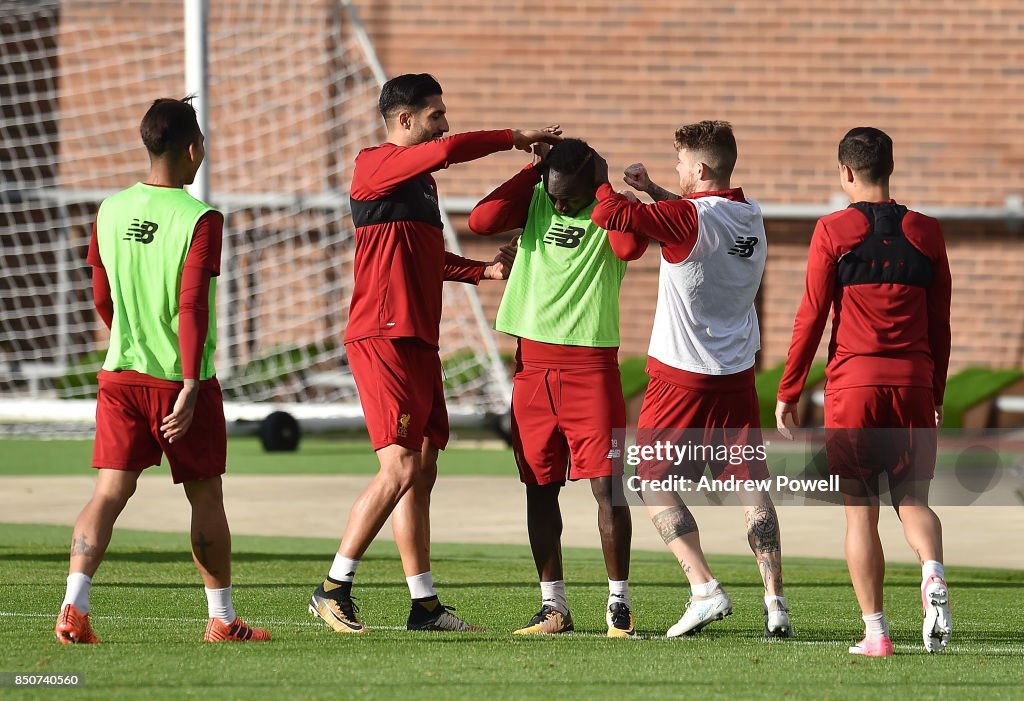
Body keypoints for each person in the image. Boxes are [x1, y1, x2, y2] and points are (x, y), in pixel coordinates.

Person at [309, 73, 560, 634]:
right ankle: (332, 588)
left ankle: (423, 606)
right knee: (398, 467)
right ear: (406, 120)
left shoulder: (418, 186)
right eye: (436, 114)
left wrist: (483, 271)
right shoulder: (374, 164)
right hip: (382, 336)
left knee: (420, 470)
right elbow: (448, 150)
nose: (443, 124)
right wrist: (515, 137)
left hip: (420, 341)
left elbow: (424, 255)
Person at [55, 97, 269, 644]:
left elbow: (101, 297)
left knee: (108, 494)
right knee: (206, 499)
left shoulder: (109, 210)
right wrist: (193, 383)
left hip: (121, 375)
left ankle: (74, 607)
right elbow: (192, 305)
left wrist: (129, 335)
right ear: (192, 148)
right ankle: (222, 619)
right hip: (181, 381)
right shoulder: (200, 218)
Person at [590, 120, 793, 639]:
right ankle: (776, 604)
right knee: (751, 484)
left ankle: (703, 587)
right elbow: (694, 216)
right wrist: (654, 190)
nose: (676, 170)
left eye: (681, 163)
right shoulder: (749, 213)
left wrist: (600, 179)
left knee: (650, 479)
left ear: (699, 169)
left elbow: (606, 213)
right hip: (737, 373)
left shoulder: (683, 217)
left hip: (681, 374)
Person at [775, 127, 952, 657]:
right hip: (914, 385)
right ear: (889, 168)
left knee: (859, 512)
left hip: (854, 387)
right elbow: (940, 323)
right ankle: (933, 571)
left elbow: (810, 317)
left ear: (846, 172)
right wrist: (936, 391)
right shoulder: (928, 231)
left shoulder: (832, 230)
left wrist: (789, 390)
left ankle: (876, 634)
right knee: (914, 500)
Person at [468, 138, 647, 637]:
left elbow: (631, 247)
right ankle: (554, 608)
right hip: (532, 367)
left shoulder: (616, 209)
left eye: (571, 196)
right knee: (539, 488)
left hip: (590, 367)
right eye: (556, 193)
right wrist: (534, 172)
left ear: (594, 184)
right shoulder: (539, 197)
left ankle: (619, 606)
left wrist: (606, 185)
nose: (561, 203)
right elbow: (482, 221)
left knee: (607, 489)